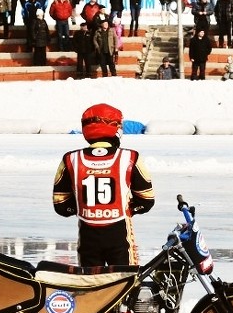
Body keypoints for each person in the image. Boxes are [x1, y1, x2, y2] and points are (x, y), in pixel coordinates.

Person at [51, 103, 155, 268]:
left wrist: (84, 207)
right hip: (119, 237)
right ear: (115, 128)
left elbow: (61, 206)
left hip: (88, 240)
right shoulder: (131, 157)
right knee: (126, 285)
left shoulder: (70, 159)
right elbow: (147, 200)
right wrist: (127, 208)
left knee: (92, 289)